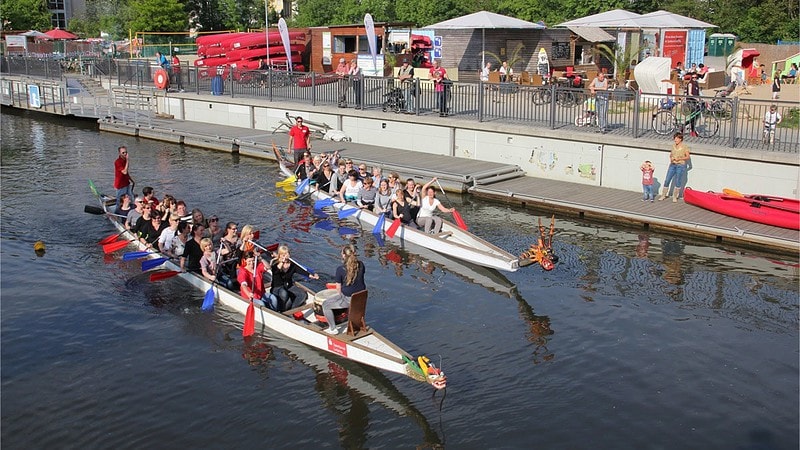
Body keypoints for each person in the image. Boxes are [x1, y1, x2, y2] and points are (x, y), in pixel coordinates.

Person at [322, 245, 366, 335]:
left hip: (349, 299)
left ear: (344, 255)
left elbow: (338, 289)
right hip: (361, 299)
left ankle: (333, 328)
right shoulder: (361, 265)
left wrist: (340, 297)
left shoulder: (340, 269)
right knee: (338, 298)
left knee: (325, 305)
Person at [270, 245, 318, 311]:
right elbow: (276, 271)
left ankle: (291, 310)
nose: (286, 256)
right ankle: (281, 310)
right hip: (277, 287)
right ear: (280, 255)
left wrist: (312, 275)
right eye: (283, 254)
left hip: (289, 286)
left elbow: (302, 271)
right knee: (284, 294)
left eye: (287, 254)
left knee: (302, 294)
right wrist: (281, 262)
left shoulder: (292, 264)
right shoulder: (274, 263)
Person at [658, 132, 690, 203]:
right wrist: (671, 158)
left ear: (680, 139)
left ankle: (675, 196)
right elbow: (671, 154)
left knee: (678, 180)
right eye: (675, 138)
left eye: (677, 138)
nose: (675, 140)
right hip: (673, 164)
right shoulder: (673, 146)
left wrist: (680, 159)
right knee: (667, 179)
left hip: (680, 165)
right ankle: (663, 195)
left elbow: (687, 156)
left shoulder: (684, 147)